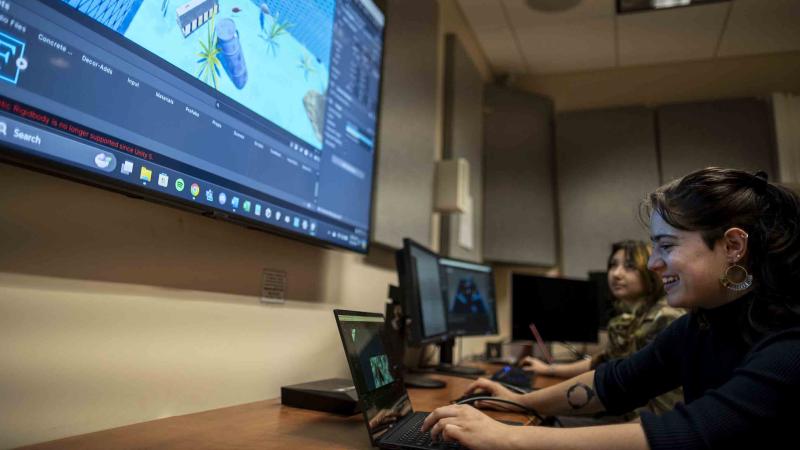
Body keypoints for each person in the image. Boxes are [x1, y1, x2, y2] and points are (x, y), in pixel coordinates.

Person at [421, 167, 800, 449]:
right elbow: (614, 382)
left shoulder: (789, 345)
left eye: (667, 246)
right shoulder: (701, 326)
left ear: (733, 245)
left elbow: (691, 434)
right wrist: (517, 400)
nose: (653, 263)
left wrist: (506, 438)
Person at [521, 240, 684, 415]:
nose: (616, 274)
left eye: (630, 267)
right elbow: (602, 363)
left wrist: (523, 401)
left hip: (645, 426)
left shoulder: (664, 318)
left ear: (651, 272)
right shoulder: (628, 319)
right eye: (613, 265)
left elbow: (661, 409)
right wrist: (548, 370)